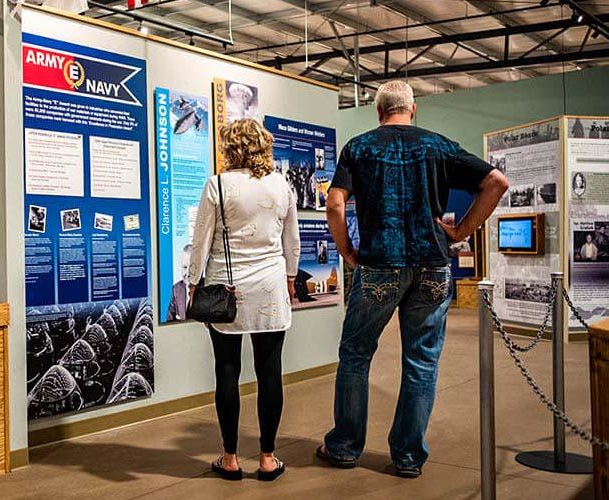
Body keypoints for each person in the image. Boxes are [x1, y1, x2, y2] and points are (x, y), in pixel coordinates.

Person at [318, 80, 509, 478]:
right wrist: (462, 232)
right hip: (432, 266)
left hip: (378, 265)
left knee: (356, 355)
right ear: (413, 109)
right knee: (421, 362)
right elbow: (496, 182)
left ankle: (345, 446)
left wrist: (346, 250)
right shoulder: (440, 146)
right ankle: (406, 456)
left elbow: (335, 204)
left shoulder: (360, 146)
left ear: (378, 112)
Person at [186, 118, 301, 482]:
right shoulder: (281, 185)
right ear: (263, 145)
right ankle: (268, 458)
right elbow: (292, 241)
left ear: (229, 147)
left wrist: (192, 283)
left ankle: (230, 457)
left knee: (227, 370)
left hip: (226, 290)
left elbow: (201, 240)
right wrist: (291, 277)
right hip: (269, 287)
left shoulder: (217, 185)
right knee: (270, 372)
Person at [166, 244, 192, 321]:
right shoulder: (176, 289)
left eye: (190, 268)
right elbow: (169, 320)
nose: (187, 273)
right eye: (184, 267)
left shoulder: (207, 288)